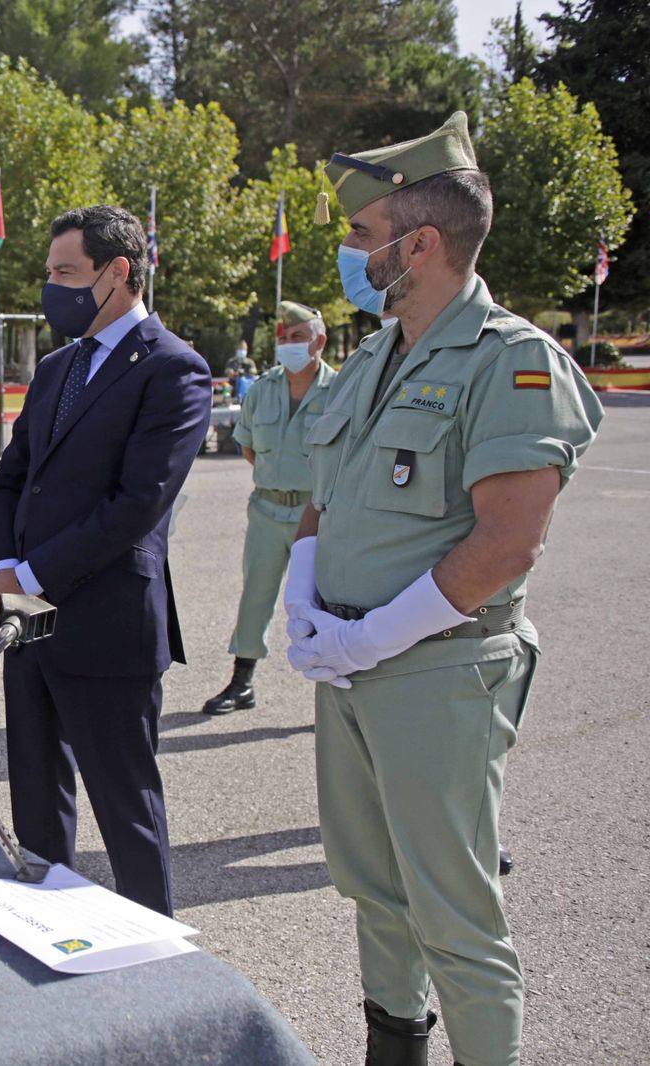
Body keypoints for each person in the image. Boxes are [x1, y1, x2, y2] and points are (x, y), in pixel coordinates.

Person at [288, 112, 601, 1066]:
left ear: (418, 243)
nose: (348, 253)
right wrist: (304, 601)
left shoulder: (511, 358)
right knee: (373, 889)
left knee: (454, 912)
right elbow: (321, 498)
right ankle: (396, 1050)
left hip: (436, 672)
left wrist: (375, 634)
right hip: (351, 668)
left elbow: (509, 543)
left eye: (359, 234)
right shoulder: (374, 357)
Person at [0, 204, 210, 917]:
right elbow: (11, 478)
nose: (52, 287)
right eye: (49, 272)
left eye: (66, 273)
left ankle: (159, 963)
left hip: (106, 620)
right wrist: (0, 568)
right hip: (28, 613)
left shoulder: (174, 370)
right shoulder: (56, 368)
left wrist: (34, 572)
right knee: (38, 799)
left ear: (118, 274)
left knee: (126, 811)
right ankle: (50, 918)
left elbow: (137, 504)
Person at [202, 300, 336, 714]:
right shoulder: (262, 388)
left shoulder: (342, 391)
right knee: (255, 596)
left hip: (317, 515)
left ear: (319, 342)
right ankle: (242, 683)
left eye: (298, 338)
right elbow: (247, 446)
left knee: (325, 603)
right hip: (265, 508)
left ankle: (335, 693)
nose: (289, 345)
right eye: (284, 338)